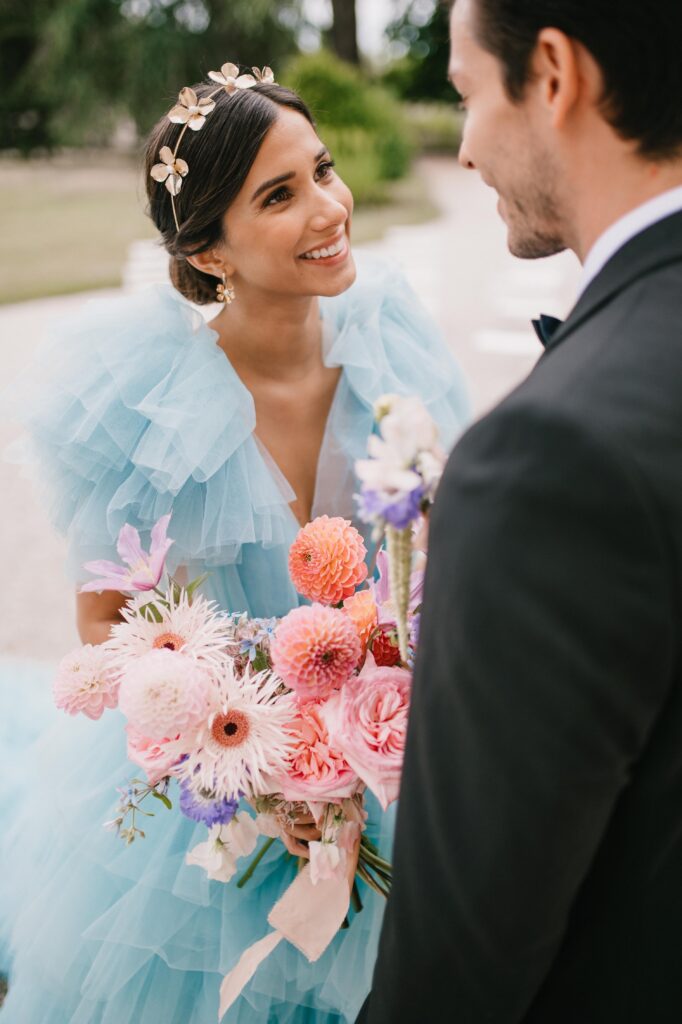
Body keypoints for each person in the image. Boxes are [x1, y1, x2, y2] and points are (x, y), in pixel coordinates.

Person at [0, 75, 469, 1022]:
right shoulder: (148, 403)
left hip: (392, 763)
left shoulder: (392, 342)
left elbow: (448, 562)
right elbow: (107, 627)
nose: (329, 208)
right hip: (214, 788)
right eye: (280, 195)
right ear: (208, 249)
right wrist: (257, 782)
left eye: (323, 171)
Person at [359, 0, 682, 1021]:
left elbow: (456, 968)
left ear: (552, 74)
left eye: (466, 94)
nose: (463, 149)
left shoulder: (548, 461)